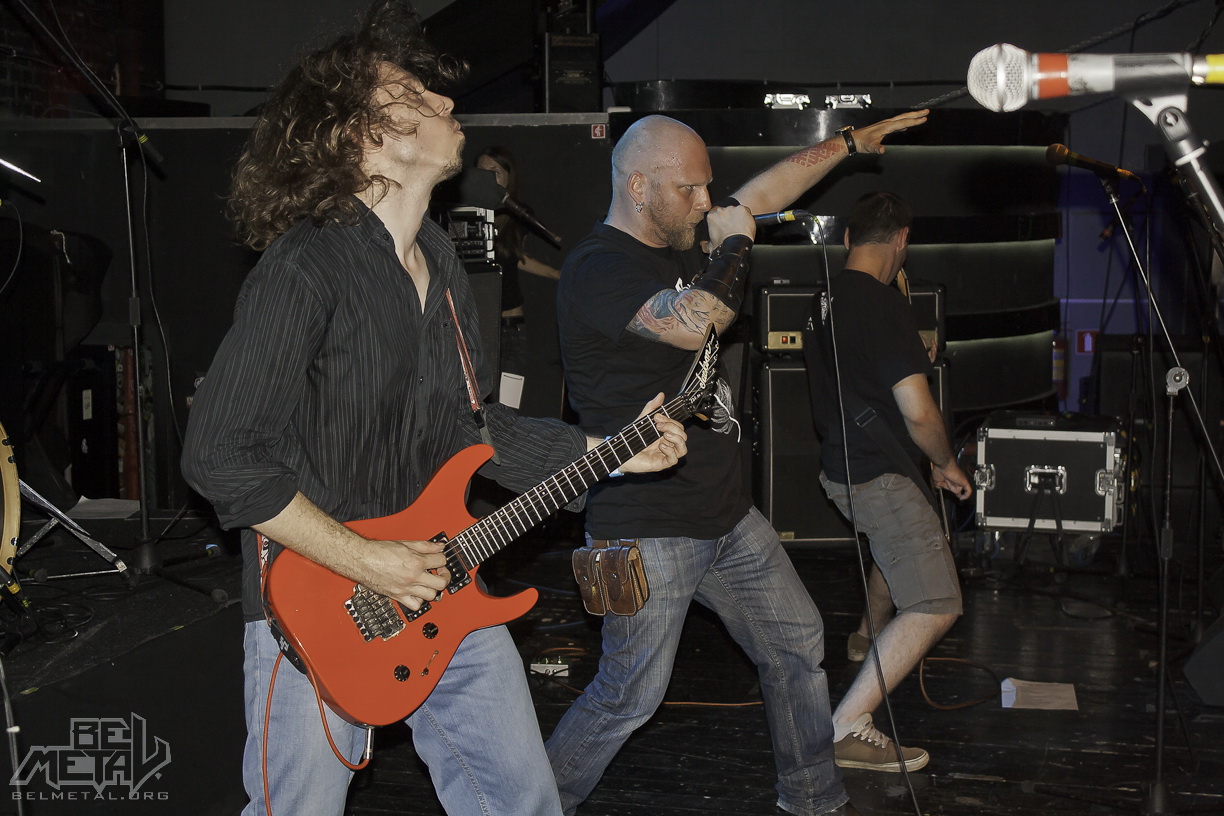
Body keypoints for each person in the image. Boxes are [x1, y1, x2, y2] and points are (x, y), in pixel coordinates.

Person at [179, 3, 687, 815]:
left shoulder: (444, 262)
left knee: (521, 802)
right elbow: (219, 455)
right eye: (414, 94)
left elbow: (472, 429)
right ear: (363, 134)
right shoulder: (305, 267)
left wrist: (608, 449)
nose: (447, 101)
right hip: (315, 609)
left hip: (445, 589)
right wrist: (365, 559)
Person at [548, 111, 926, 816]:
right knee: (628, 694)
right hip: (644, 527)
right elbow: (694, 322)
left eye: (707, 187)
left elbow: (765, 191)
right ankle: (528, 804)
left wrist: (847, 145)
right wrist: (734, 246)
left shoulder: (684, 234)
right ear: (638, 186)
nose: (704, 202)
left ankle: (813, 798)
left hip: (724, 515)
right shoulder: (599, 268)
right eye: (689, 189)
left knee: (796, 643)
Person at [802, 191, 972, 773]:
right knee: (936, 602)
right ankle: (847, 726)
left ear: (848, 238)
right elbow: (918, 412)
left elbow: (857, 372)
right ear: (901, 239)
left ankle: (865, 635)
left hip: (843, 469)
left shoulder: (823, 301)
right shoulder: (885, 305)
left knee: (890, 547)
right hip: (880, 476)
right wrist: (946, 463)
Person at [474, 146, 561, 403]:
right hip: (477, 326)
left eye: (495, 171)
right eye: (481, 172)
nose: (488, 177)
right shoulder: (464, 213)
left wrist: (557, 274)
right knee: (477, 404)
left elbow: (517, 257)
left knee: (509, 404)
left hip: (510, 326)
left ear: (508, 177)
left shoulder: (516, 215)